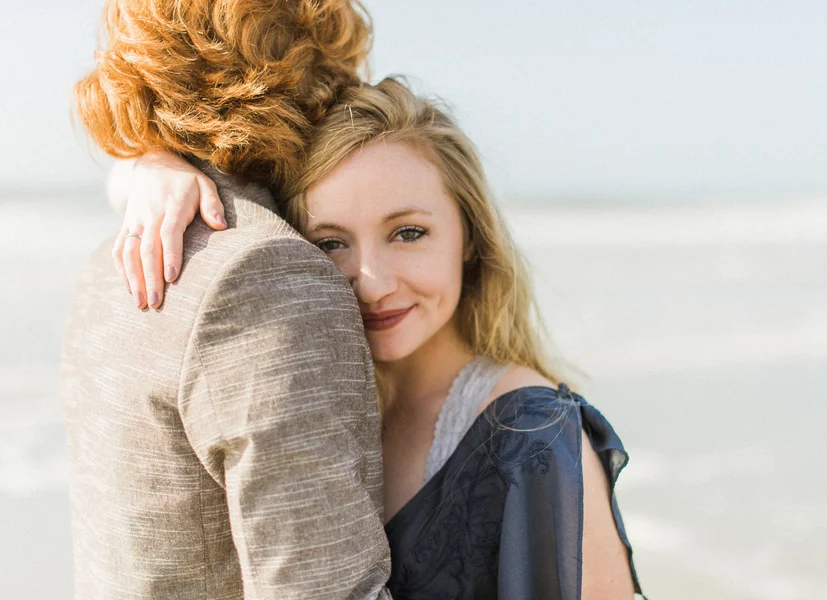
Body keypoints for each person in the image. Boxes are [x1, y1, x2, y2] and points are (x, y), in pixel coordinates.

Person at [113, 78, 647, 599]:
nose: (372, 284)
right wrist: (151, 165)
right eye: (330, 243)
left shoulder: (531, 436)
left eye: (408, 233)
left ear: (469, 236)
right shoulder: (313, 403)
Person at [61, 1, 393, 598]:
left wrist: (151, 157)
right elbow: (325, 587)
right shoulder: (269, 273)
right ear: (313, 68)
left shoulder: (109, 261)